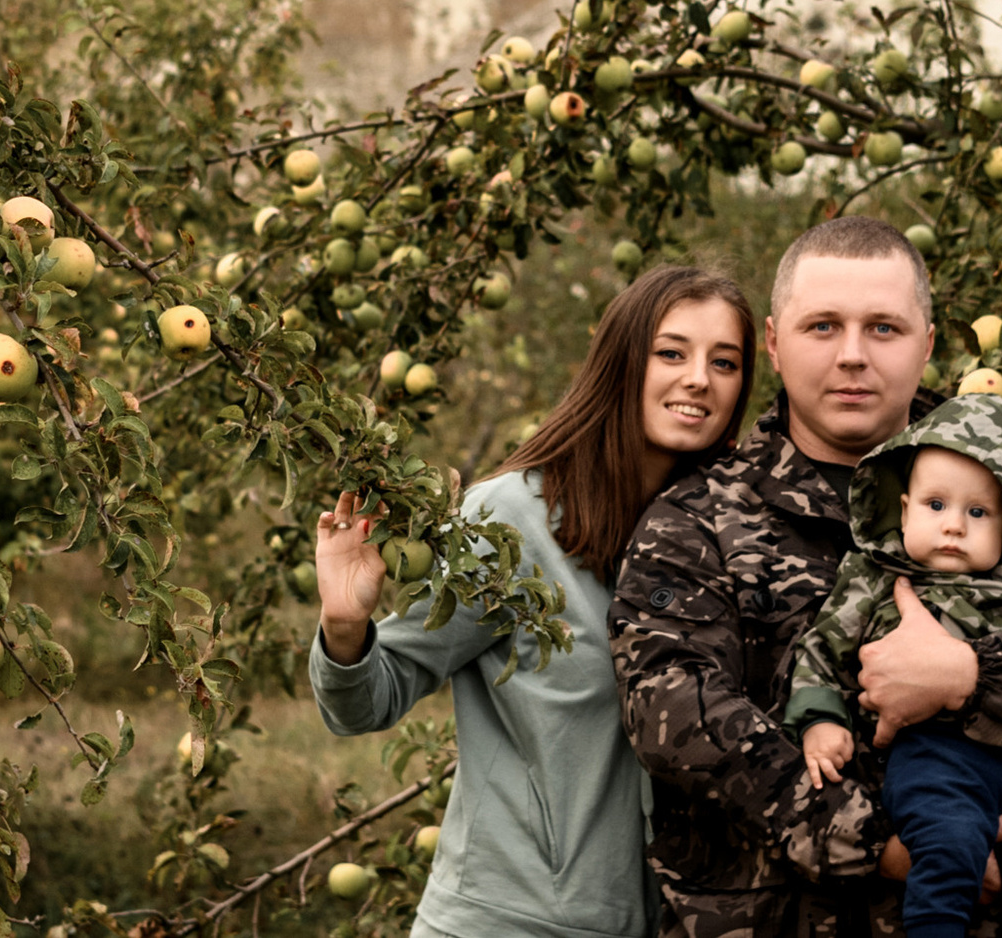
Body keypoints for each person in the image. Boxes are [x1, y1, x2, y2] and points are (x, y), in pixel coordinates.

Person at [610, 215, 1002, 938]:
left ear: (928, 345)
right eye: (821, 328)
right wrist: (881, 847)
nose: (851, 356)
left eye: (883, 328)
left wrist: (974, 679)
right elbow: (674, 714)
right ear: (775, 345)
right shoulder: (698, 517)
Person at [310, 266, 760, 938]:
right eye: (672, 352)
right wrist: (347, 626)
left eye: (724, 362)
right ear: (622, 362)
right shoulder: (510, 520)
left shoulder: (726, 538)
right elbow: (371, 699)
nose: (699, 377)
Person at [787, 397, 1002, 938]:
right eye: (935, 506)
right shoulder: (877, 573)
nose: (953, 526)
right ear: (904, 510)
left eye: (977, 513)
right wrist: (821, 720)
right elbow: (822, 649)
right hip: (933, 759)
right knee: (950, 857)